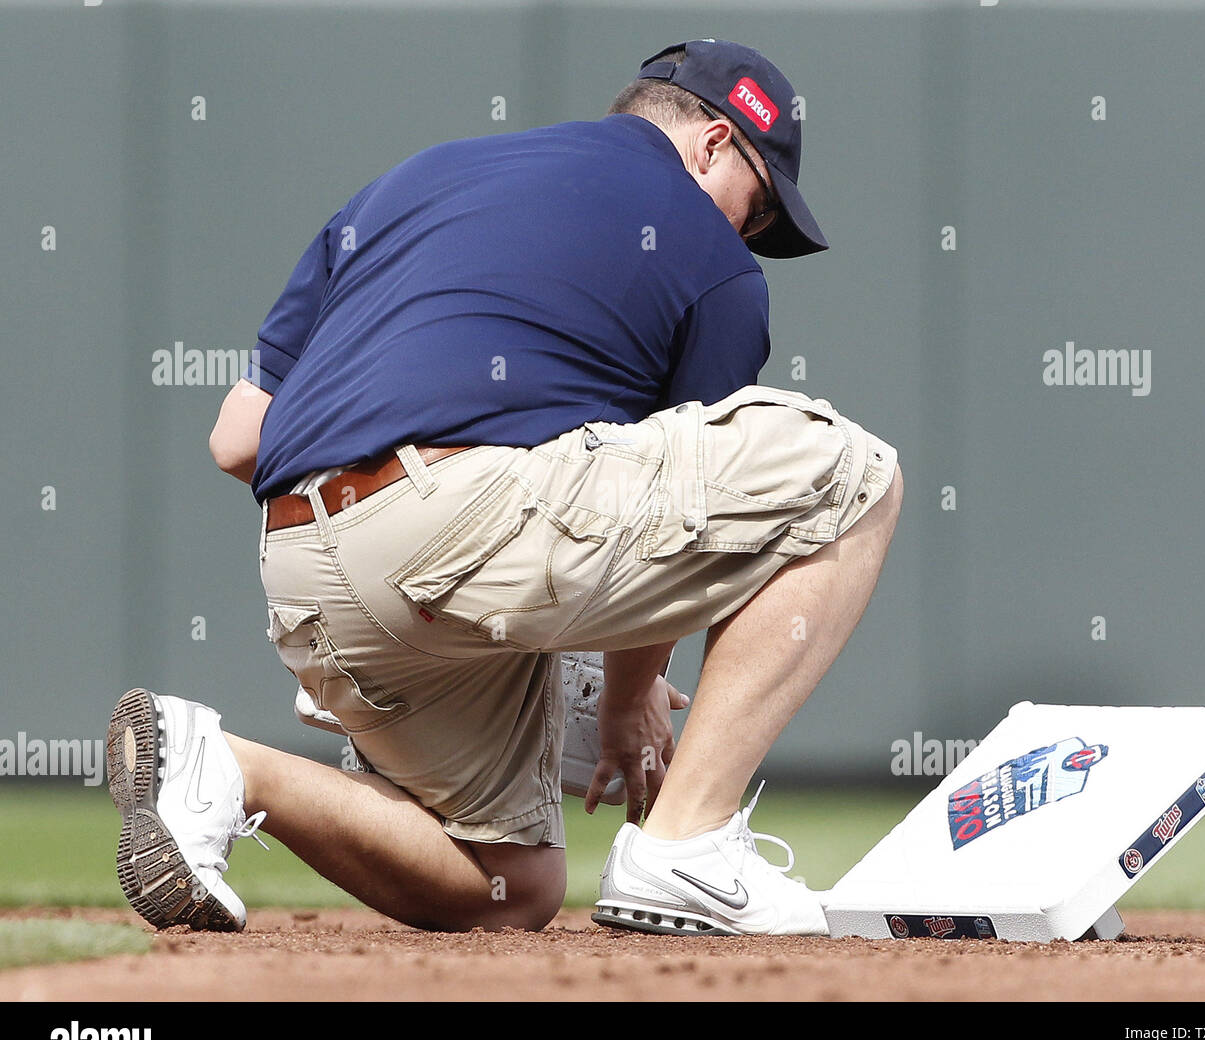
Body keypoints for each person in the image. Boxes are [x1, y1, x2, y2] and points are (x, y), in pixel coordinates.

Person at [108, 39, 902, 937]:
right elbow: (695, 508)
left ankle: (225, 765)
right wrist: (630, 688)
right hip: (456, 533)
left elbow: (238, 438)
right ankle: (687, 843)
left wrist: (395, 531)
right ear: (713, 142)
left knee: (510, 885)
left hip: (302, 577)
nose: (747, 236)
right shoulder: (710, 256)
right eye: (755, 209)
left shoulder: (412, 182)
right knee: (854, 470)